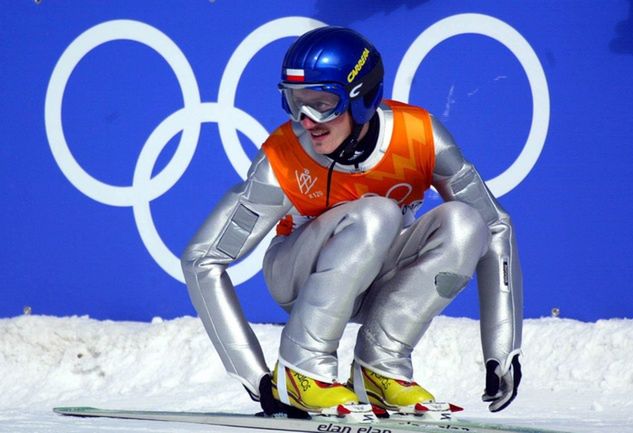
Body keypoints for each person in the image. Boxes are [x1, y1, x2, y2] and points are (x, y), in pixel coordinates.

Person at [181, 26, 523, 417]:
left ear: (361, 98)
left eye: (322, 102)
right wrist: (256, 376)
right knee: (379, 212)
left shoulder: (419, 137)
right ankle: (302, 369)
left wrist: (503, 349)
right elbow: (202, 259)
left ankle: (381, 367)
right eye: (295, 102)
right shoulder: (285, 155)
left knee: (466, 222)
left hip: (380, 275)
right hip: (296, 276)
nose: (307, 120)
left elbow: (495, 226)